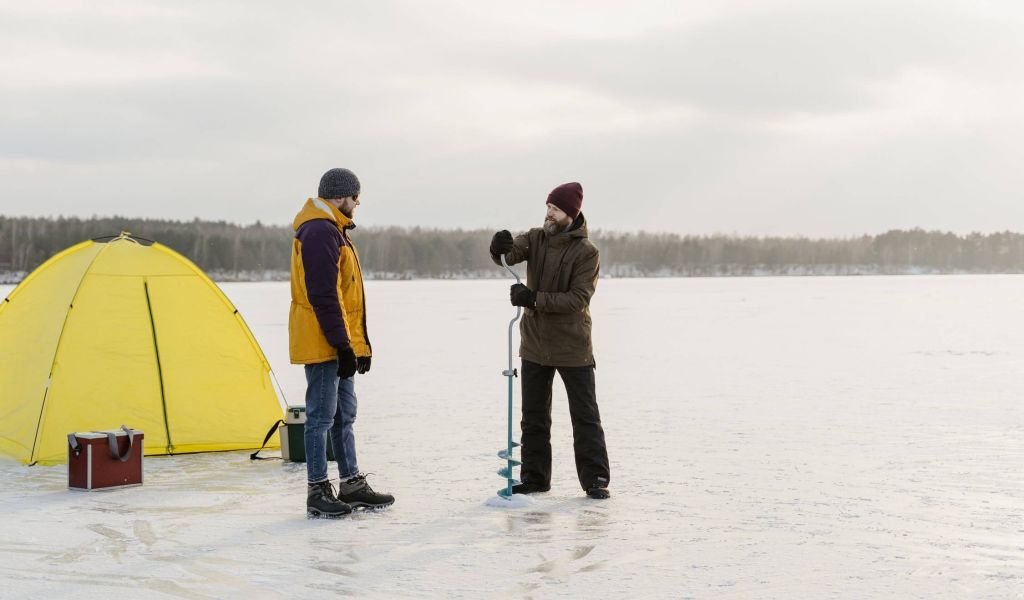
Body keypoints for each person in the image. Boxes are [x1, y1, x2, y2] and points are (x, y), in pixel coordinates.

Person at [489, 182, 611, 499]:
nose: (548, 213)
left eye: (554, 209)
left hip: (573, 347)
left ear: (570, 213)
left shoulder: (587, 253)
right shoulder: (536, 238)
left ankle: (595, 478)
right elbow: (510, 254)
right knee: (533, 418)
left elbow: (577, 299)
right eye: (547, 207)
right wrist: (498, 248)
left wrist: (532, 299)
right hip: (534, 344)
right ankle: (534, 478)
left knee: (585, 417)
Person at [289, 167, 395, 517]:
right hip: (324, 342)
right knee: (320, 417)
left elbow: (349, 298)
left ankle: (350, 483)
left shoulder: (334, 229)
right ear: (340, 196)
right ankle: (317, 490)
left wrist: (358, 347)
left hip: (337, 342)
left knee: (343, 415)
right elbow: (324, 296)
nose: (357, 204)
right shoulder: (320, 230)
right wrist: (342, 345)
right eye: (355, 197)